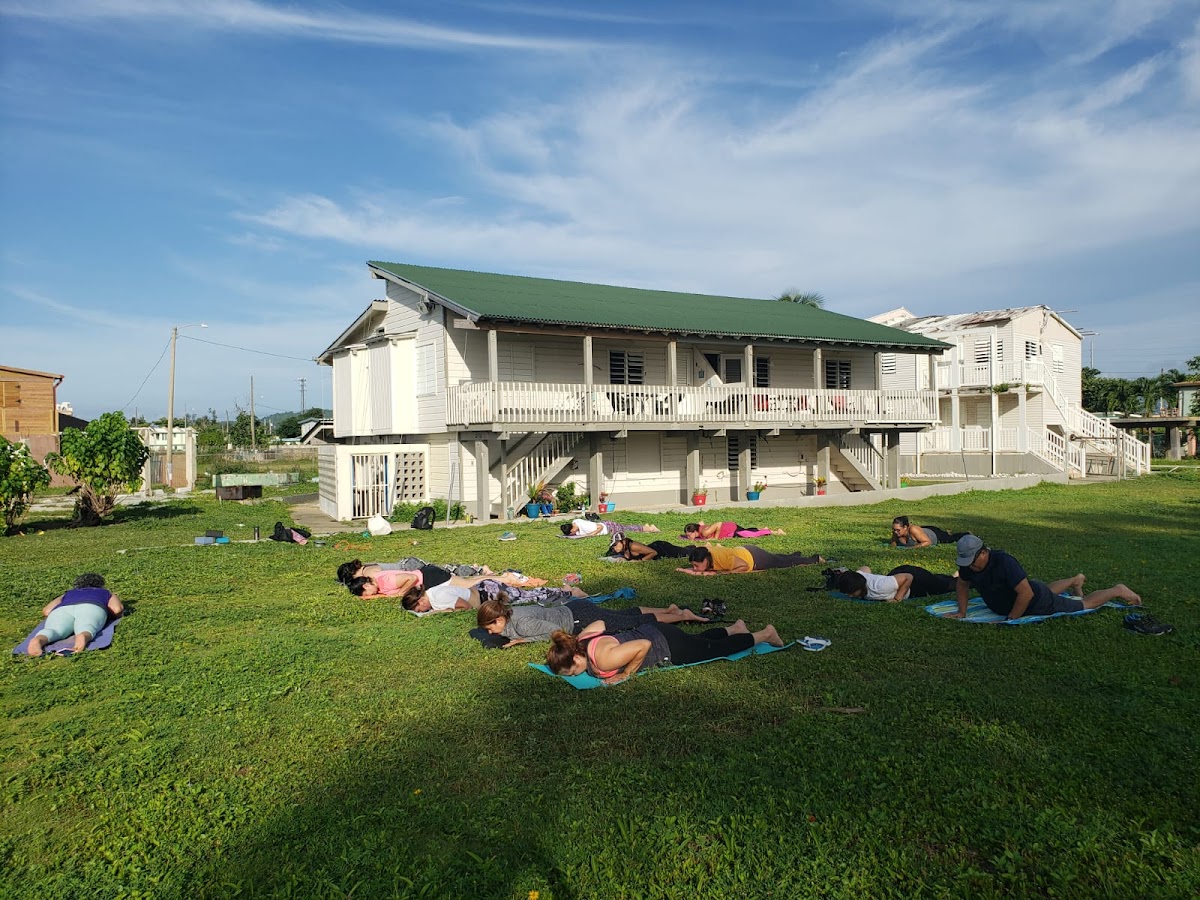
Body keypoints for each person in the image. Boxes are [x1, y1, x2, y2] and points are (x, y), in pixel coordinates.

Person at [948, 534, 1142, 620]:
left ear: (983, 553)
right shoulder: (969, 566)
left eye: (972, 561)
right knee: (1044, 589)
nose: (969, 566)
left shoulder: (1004, 562)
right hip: (1032, 590)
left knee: (1084, 604)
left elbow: (1025, 594)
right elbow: (962, 584)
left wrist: (1011, 619)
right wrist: (962, 612)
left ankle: (1118, 590)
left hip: (1036, 602)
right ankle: (1075, 580)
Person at [546, 618, 784, 684]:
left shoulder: (604, 660)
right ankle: (735, 628)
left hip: (665, 646)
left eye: (571, 671)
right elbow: (600, 624)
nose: (573, 675)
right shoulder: (583, 641)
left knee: (715, 650)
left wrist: (625, 674)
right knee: (700, 641)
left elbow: (643, 647)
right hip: (656, 630)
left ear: (577, 658)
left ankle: (765, 634)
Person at [476, 597, 710, 647]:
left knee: (632, 622)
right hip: (575, 608)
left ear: (499, 619)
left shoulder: (521, 624)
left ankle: (683, 616)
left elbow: (554, 631)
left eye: (491, 628)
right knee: (624, 613)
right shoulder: (511, 611)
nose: (492, 633)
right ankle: (667, 607)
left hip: (579, 619)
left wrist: (520, 640)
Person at [27, 573, 124, 657]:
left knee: (53, 630)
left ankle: (38, 640)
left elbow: (47, 611)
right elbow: (117, 609)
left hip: (62, 609)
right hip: (91, 607)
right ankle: (82, 637)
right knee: (86, 628)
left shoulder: (68, 593)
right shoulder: (105, 592)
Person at [835, 565, 957, 602]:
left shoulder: (880, 587)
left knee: (944, 588)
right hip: (896, 577)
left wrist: (898, 599)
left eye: (851, 592)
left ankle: (962, 578)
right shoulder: (858, 578)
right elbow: (866, 568)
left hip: (914, 580)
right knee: (938, 580)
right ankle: (954, 576)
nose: (850, 595)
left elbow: (908, 577)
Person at [679, 544, 823, 575]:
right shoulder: (706, 554)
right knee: (777, 559)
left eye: (697, 565)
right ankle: (794, 554)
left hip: (753, 558)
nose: (695, 568)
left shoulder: (722, 559)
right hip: (745, 550)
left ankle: (815, 559)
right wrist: (685, 570)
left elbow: (744, 565)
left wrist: (726, 573)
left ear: (706, 560)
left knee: (781, 564)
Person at [888, 517, 968, 548]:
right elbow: (893, 542)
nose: (895, 532)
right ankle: (947, 532)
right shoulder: (896, 533)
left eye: (898, 530)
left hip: (935, 534)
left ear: (905, 527)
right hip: (924, 530)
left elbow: (927, 542)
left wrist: (910, 548)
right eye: (894, 529)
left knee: (950, 538)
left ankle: (967, 533)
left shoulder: (912, 530)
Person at [607, 534, 692, 561]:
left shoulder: (633, 546)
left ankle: (703, 548)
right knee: (685, 550)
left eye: (615, 545)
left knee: (686, 552)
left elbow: (654, 553)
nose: (614, 548)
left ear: (623, 541)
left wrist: (640, 561)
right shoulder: (623, 550)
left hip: (662, 548)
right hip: (656, 547)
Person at [683, 521, 785, 540]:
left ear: (694, 531)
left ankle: (775, 532)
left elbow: (719, 524)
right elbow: (701, 522)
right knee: (746, 530)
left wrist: (716, 538)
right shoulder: (700, 528)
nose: (689, 537)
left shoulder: (704, 532)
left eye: (689, 535)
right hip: (729, 527)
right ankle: (764, 529)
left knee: (747, 534)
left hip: (729, 529)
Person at [560, 519, 660, 538]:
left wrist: (592, 534)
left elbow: (599, 527)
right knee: (628, 527)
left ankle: (651, 528)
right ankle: (646, 527)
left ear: (572, 529)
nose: (572, 534)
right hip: (605, 525)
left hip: (607, 527)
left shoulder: (585, 526)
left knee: (629, 528)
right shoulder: (574, 522)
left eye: (571, 533)